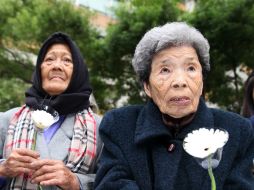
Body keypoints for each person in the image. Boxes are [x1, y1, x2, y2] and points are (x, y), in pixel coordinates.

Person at [94, 22, 254, 190]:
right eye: (165, 70)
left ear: (202, 82)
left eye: (191, 68)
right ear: (147, 86)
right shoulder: (119, 125)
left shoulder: (237, 131)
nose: (180, 82)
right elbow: (112, 183)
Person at [0, 32, 102, 190]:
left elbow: (112, 180)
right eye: (49, 59)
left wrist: (75, 182)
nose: (57, 66)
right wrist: (3, 169)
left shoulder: (100, 127)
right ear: (39, 69)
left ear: (78, 72)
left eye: (67, 60)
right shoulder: (7, 119)